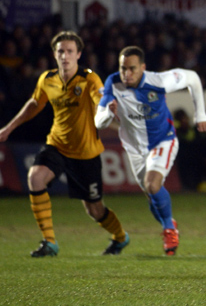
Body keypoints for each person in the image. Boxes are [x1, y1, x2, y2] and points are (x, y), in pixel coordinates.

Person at [0, 31, 129, 257]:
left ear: (78, 54)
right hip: (57, 145)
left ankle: (120, 237)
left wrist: (110, 109)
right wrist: (9, 128)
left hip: (86, 153)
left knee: (95, 210)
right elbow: (34, 103)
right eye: (61, 51)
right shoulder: (47, 79)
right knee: (35, 177)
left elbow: (102, 101)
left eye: (70, 51)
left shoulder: (89, 79)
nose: (65, 56)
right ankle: (49, 242)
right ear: (54, 54)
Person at [95, 46, 206, 256]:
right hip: (134, 149)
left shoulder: (158, 81)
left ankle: (168, 229)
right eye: (123, 69)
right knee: (152, 195)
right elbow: (98, 121)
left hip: (162, 141)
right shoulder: (113, 83)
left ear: (143, 68)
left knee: (152, 183)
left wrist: (200, 114)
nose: (127, 74)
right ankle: (169, 224)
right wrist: (108, 114)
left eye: (132, 69)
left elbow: (192, 77)